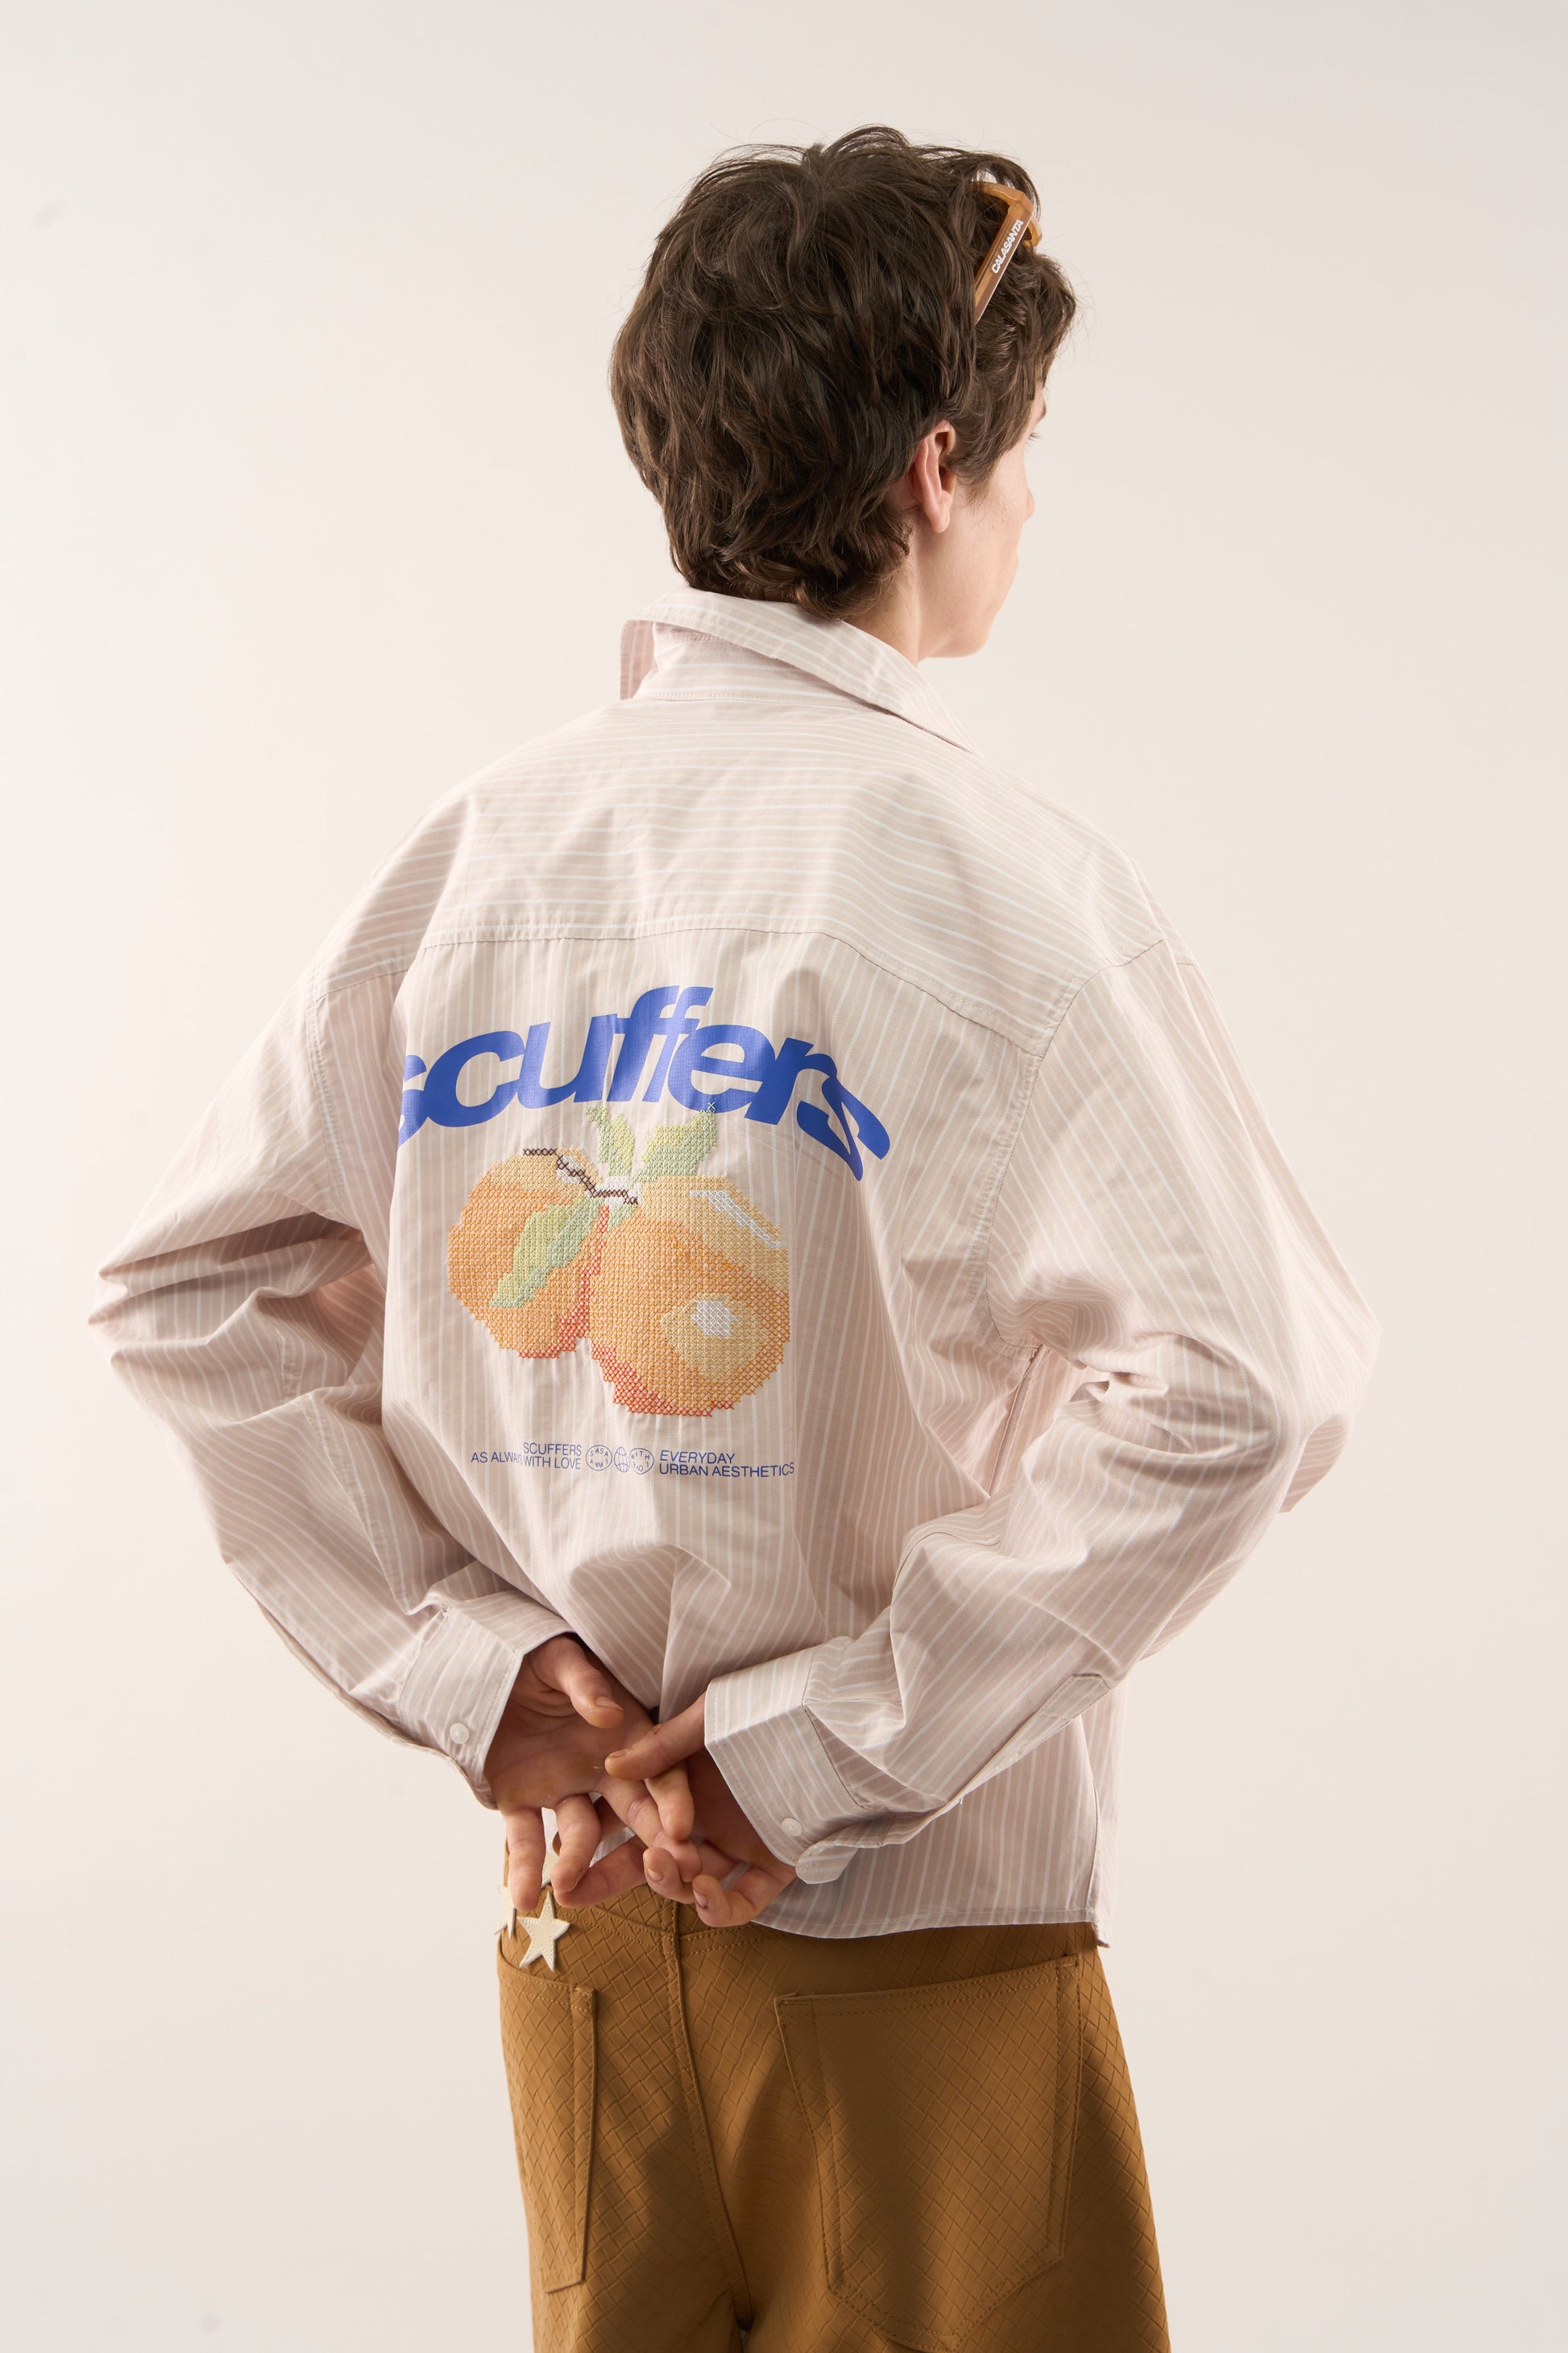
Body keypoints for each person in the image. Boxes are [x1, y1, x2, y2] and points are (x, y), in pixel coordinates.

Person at [90, 126, 1378, 2353]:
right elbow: (1250, 1388)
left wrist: (477, 1672)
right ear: (935, 471)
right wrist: (817, 1755)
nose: (1032, 503)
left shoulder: (480, 854)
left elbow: (190, 1293)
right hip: (923, 1972)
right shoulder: (997, 890)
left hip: (585, 1948)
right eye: (1023, 452)